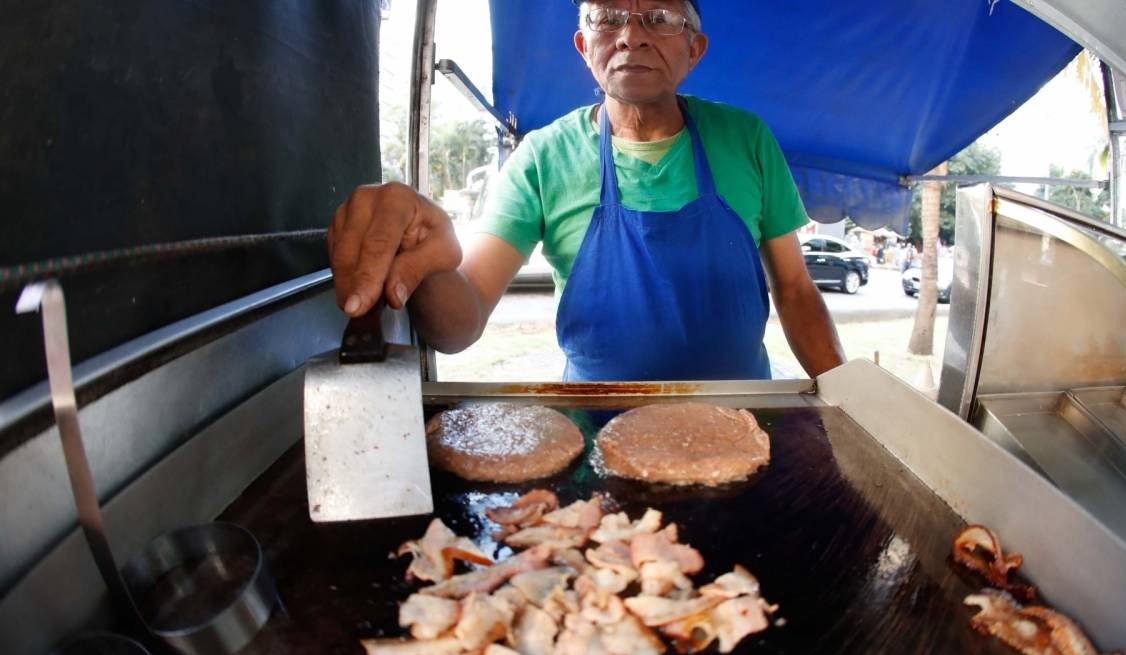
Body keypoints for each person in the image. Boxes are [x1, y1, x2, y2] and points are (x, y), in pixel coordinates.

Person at [326, 0, 845, 381]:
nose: (630, 36)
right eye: (608, 17)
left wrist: (848, 400)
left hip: (743, 423)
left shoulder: (747, 139)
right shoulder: (542, 158)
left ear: (694, 49)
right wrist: (432, 262)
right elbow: (460, 323)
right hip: (595, 433)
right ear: (584, 45)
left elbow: (796, 291)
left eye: (659, 18)